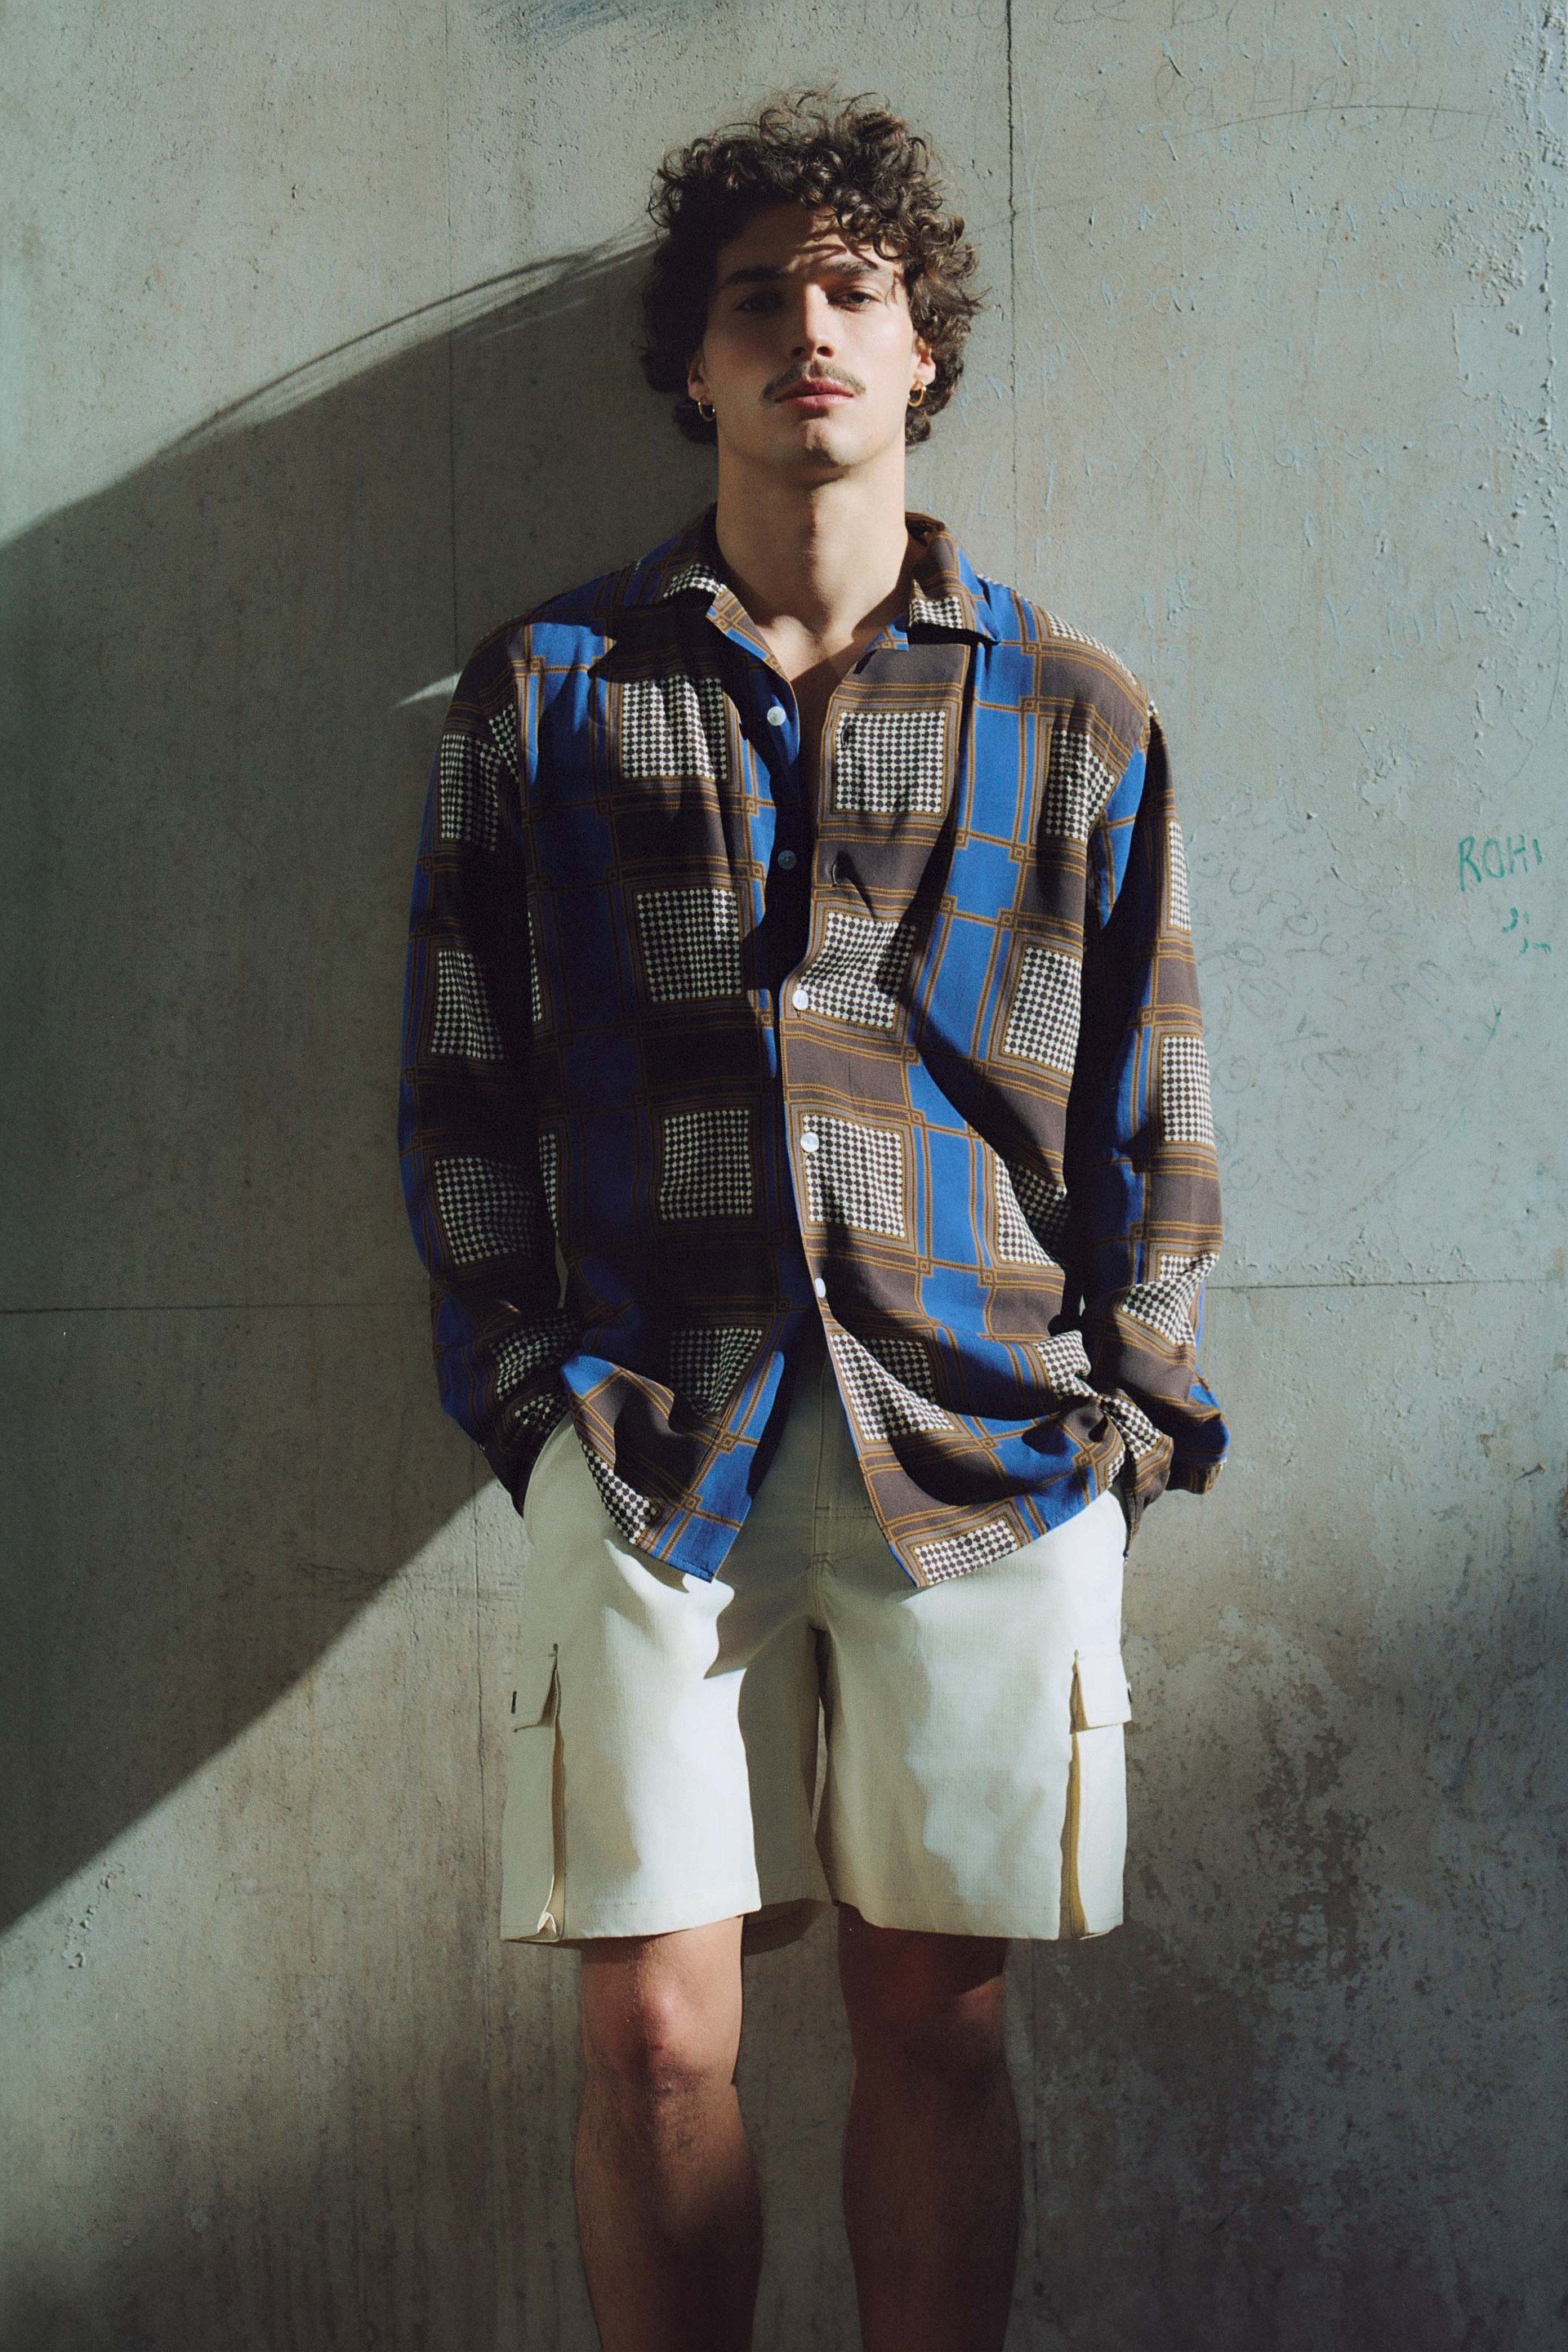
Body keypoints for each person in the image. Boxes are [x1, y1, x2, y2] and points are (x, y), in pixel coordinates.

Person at [399, 88, 1227, 2352]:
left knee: (936, 2023)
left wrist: (1127, 1416)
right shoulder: (546, 694)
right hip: (653, 1439)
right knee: (653, 2038)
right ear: (696, 364)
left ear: (923, 347)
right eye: (758, 298)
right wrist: (524, 1400)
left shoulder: (1075, 709)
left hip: (983, 1442)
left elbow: (1154, 1116)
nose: (811, 333)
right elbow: (457, 1076)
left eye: (855, 292)